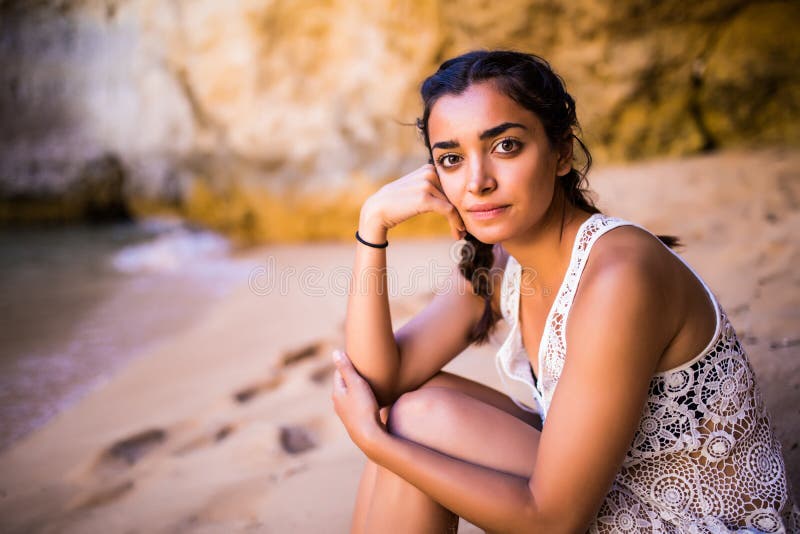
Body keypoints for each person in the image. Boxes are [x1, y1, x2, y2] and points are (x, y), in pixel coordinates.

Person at [330, 50, 799, 533]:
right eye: (452, 159)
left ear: (561, 153)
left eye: (505, 146)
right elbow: (373, 382)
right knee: (408, 406)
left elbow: (553, 522)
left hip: (682, 521)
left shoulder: (621, 274)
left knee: (414, 424)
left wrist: (376, 442)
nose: (478, 182)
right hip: (605, 492)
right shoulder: (497, 262)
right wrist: (373, 226)